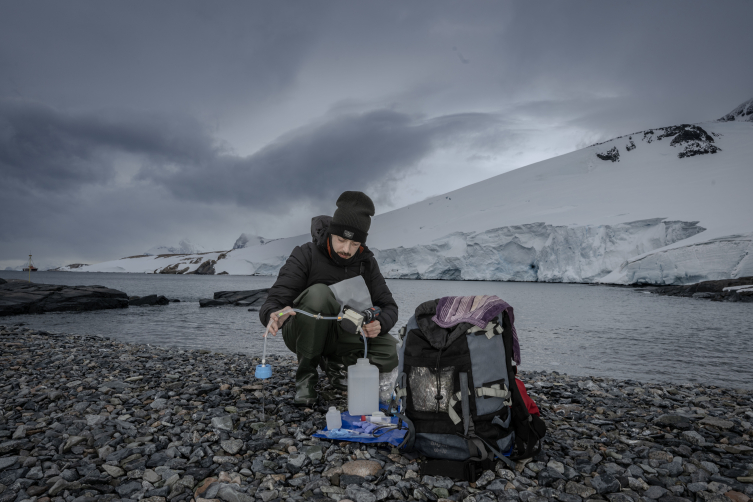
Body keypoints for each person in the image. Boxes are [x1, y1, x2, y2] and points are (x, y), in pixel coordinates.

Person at [259, 191, 399, 406]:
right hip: (302, 330)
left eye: (354, 244)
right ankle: (306, 379)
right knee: (319, 293)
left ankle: (336, 365)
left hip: (344, 332)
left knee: (390, 350)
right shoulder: (306, 254)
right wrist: (273, 315)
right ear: (332, 233)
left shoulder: (366, 263)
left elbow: (388, 306)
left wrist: (380, 323)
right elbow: (276, 298)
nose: (346, 249)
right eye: (341, 240)